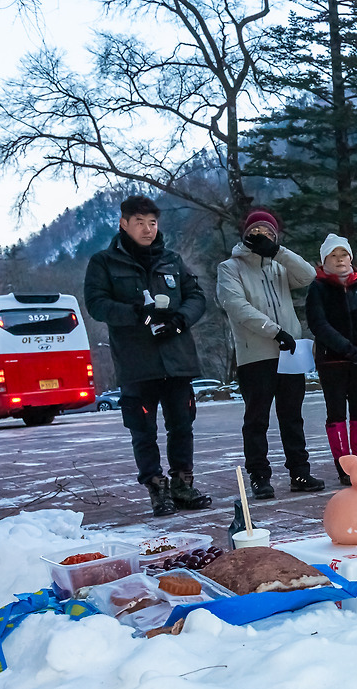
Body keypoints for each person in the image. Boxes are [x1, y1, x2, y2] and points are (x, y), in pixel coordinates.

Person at [83, 194, 212, 517]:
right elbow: (96, 304)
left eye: (152, 222)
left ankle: (182, 483)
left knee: (182, 425)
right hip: (136, 363)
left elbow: (197, 296)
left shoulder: (171, 259)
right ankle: (157, 488)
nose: (147, 229)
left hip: (177, 359)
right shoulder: (104, 262)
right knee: (143, 431)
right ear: (123, 224)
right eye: (139, 222)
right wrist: (134, 312)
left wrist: (180, 320)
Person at [217, 208, 324, 499]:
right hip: (256, 355)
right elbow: (237, 307)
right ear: (246, 234)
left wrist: (278, 252)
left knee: (293, 417)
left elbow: (308, 274)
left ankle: (300, 472)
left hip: (290, 353)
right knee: (257, 419)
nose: (261, 236)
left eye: (268, 233)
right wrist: (274, 331)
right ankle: (259, 476)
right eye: (256, 232)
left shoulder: (278, 266)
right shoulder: (230, 268)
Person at [305, 234, 357, 483]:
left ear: (351, 258)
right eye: (333, 255)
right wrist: (346, 348)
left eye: (343, 254)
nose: (340, 260)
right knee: (336, 412)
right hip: (333, 360)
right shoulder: (317, 287)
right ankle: (344, 466)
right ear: (324, 259)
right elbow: (319, 324)